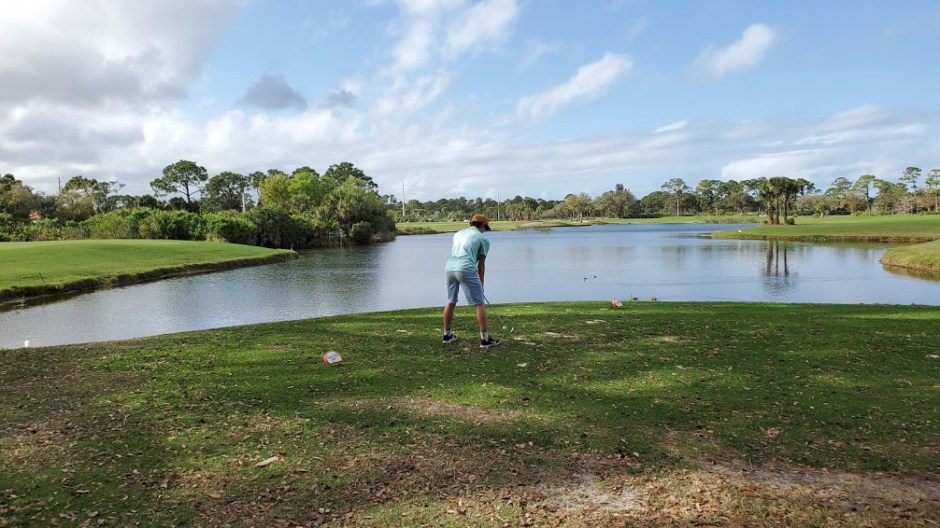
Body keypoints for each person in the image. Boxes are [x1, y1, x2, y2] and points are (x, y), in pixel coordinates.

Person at [442, 214, 501, 348]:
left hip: (450, 268)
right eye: (485, 228)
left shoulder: (457, 234)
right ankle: (485, 339)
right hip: (466, 269)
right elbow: (481, 266)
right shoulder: (483, 239)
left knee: (451, 301)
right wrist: (481, 285)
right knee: (479, 302)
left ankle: (447, 335)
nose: (484, 230)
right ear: (482, 225)